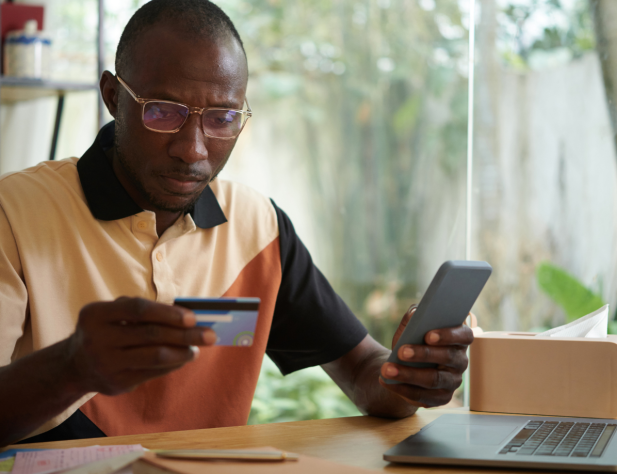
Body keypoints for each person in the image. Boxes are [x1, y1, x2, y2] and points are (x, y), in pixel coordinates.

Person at [0, 0, 473, 447]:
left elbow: (366, 373)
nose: (194, 149)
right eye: (162, 111)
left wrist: (412, 375)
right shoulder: (15, 213)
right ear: (111, 96)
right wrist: (72, 366)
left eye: (223, 118)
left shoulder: (258, 226)